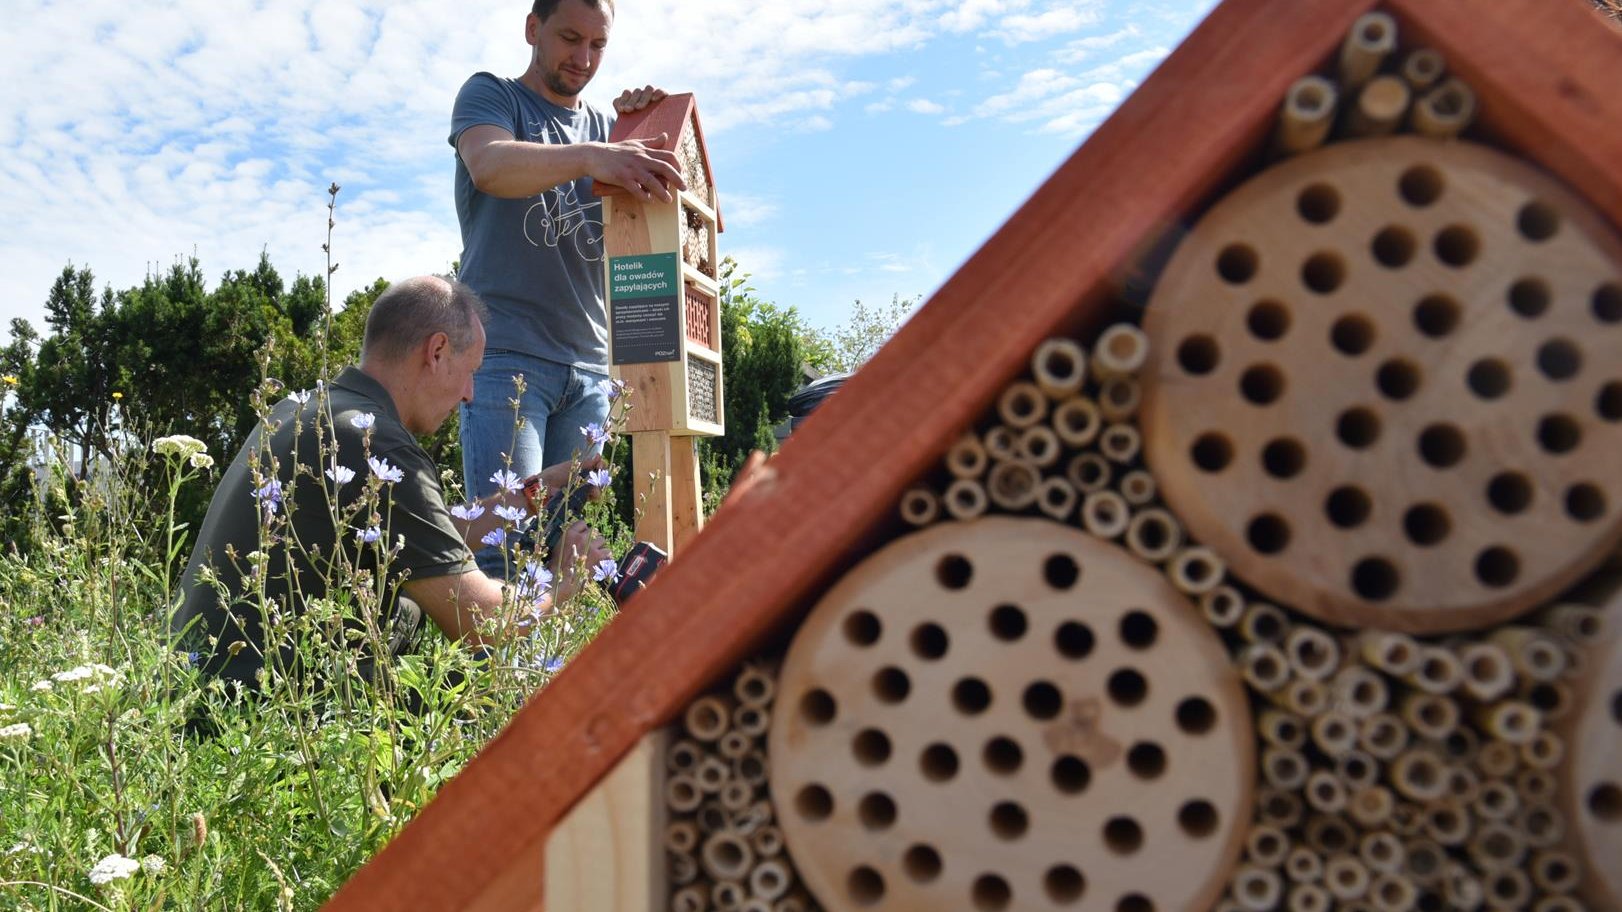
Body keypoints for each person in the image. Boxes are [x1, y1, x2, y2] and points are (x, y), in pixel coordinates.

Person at [173, 276, 611, 692]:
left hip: (197, 691)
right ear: (437, 351)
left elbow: (427, 539)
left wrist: (538, 491)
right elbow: (481, 623)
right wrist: (562, 579)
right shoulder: (375, 443)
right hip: (263, 717)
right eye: (470, 370)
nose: (470, 394)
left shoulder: (307, 411)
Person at [449, 0, 684, 576]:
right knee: (503, 551)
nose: (583, 58)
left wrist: (641, 124)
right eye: (570, 38)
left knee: (564, 559)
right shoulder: (492, 95)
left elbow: (647, 230)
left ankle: (560, 671)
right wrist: (594, 154)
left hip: (590, 373)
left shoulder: (610, 131)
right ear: (533, 29)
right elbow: (490, 165)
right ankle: (496, 670)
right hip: (505, 358)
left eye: (598, 45)